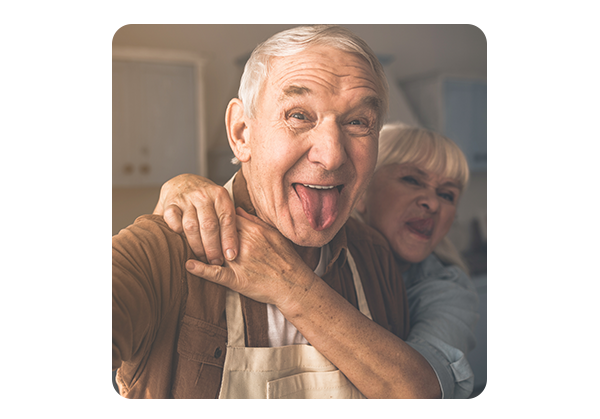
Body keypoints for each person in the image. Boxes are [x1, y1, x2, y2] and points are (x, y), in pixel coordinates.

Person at [113, 24, 440, 399]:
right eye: (299, 115)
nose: (332, 155)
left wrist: (290, 283)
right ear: (241, 133)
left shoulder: (373, 255)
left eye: (357, 123)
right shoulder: (166, 250)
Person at [155, 123, 479, 398]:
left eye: (447, 194)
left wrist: (287, 283)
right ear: (360, 190)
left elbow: (418, 390)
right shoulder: (307, 247)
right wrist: (182, 187)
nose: (432, 203)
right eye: (413, 180)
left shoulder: (449, 291)